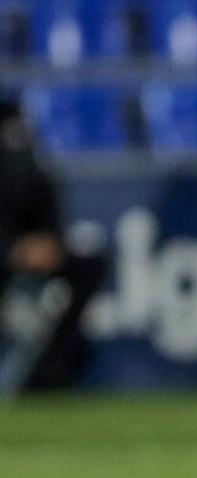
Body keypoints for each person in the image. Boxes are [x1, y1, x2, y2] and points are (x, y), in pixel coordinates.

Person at [0, 99, 105, 393]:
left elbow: (51, 217)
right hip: (8, 256)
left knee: (90, 267)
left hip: (36, 256)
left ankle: (52, 367)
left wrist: (49, 244)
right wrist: (13, 250)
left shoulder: (37, 170)